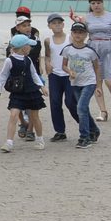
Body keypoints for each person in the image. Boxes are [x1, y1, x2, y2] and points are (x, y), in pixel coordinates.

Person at [0, 34, 47, 152]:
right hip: (18, 91)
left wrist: (42, 86)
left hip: (31, 90)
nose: (30, 48)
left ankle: (40, 139)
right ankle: (9, 143)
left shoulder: (28, 59)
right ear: (23, 48)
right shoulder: (9, 60)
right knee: (13, 115)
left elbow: (34, 74)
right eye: (29, 46)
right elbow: (3, 75)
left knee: (34, 117)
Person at [63, 20, 103, 148]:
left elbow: (97, 68)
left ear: (86, 35)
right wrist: (69, 71)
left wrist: (98, 86)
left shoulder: (90, 51)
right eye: (75, 32)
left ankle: (84, 137)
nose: (78, 35)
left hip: (89, 82)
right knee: (83, 109)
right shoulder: (67, 49)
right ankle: (94, 130)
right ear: (71, 34)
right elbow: (63, 65)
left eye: (81, 32)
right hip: (75, 83)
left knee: (80, 108)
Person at [43, 14, 78, 142]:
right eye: (54, 23)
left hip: (69, 75)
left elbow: (77, 53)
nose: (57, 25)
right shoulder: (48, 41)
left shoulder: (70, 38)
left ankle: (84, 124)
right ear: (49, 26)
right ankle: (60, 131)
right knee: (55, 102)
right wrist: (47, 64)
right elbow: (47, 55)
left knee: (71, 102)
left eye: (59, 22)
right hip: (55, 75)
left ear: (63, 25)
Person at [8, 10, 41, 139]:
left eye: (28, 25)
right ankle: (23, 123)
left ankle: (31, 130)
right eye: (24, 25)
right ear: (18, 27)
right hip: (17, 76)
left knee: (33, 105)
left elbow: (35, 54)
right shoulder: (14, 40)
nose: (27, 28)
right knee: (16, 103)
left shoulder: (34, 39)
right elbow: (9, 56)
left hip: (32, 72)